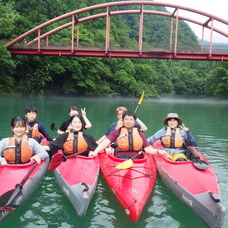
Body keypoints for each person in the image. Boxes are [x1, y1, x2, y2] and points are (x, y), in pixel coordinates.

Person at [89, 110, 166, 158]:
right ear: (122, 120)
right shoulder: (117, 132)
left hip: (136, 158)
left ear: (134, 121)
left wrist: (158, 151)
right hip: (120, 158)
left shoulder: (139, 133)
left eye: (131, 119)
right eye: (126, 119)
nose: (128, 121)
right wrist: (95, 152)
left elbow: (147, 149)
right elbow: (106, 142)